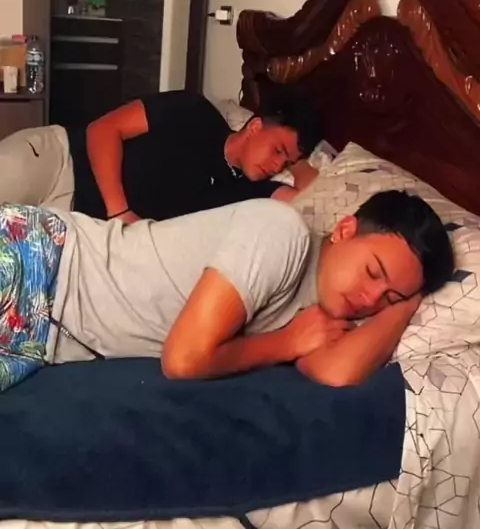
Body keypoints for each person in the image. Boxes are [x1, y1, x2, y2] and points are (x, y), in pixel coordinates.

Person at [0, 189, 454, 393]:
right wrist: (286, 344)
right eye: (373, 272)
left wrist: (409, 299)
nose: (371, 298)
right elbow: (183, 360)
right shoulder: (282, 232)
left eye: (388, 297)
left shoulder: (329, 315)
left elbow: (337, 372)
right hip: (45, 261)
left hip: (43, 337)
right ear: (345, 230)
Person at [0, 90, 322, 223]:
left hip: (70, 222)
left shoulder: (246, 190)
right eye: (278, 150)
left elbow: (311, 201)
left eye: (285, 163)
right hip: (59, 159)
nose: (277, 165)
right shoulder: (196, 111)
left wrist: (300, 162)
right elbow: (102, 130)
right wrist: (119, 212)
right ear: (254, 127)